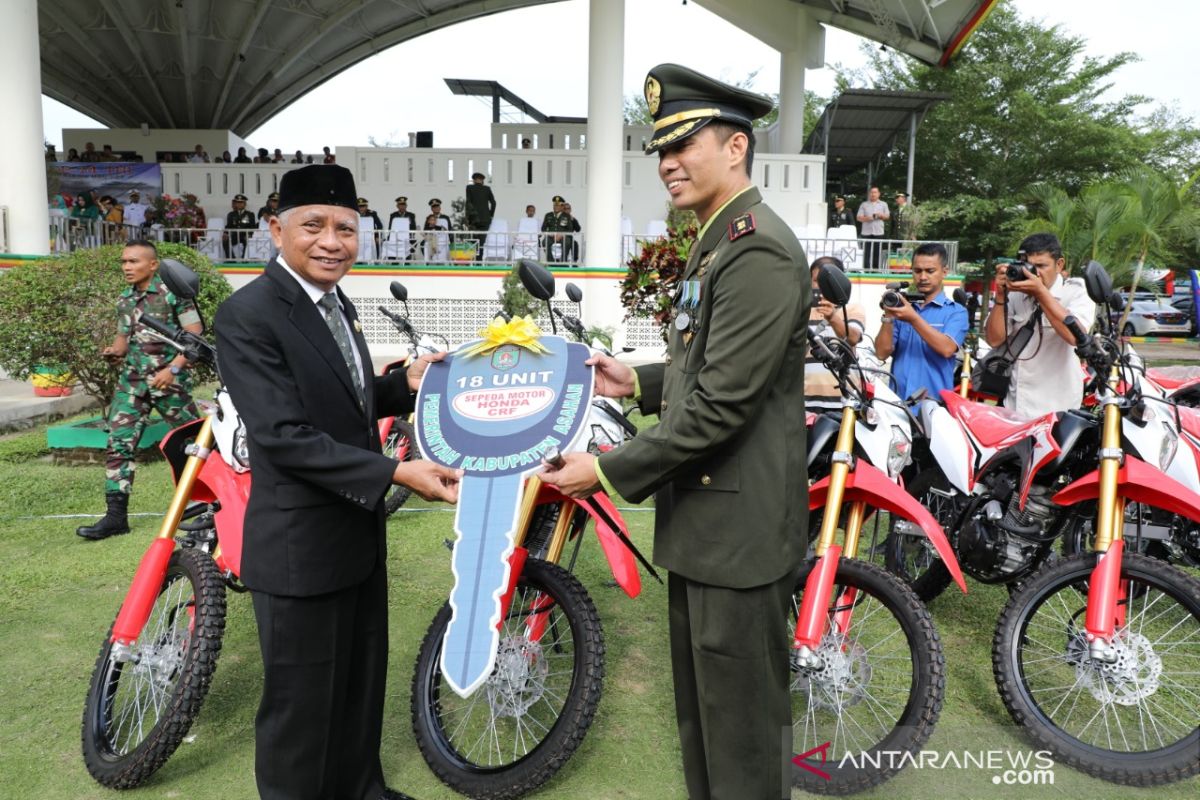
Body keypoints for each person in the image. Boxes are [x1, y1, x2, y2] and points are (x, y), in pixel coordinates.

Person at [538, 64, 810, 800]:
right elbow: (707, 361)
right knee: (706, 722)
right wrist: (641, 381)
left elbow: (724, 407)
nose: (667, 163)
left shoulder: (757, 247)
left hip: (738, 534)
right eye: (661, 149)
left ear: (737, 148)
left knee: (742, 735)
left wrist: (606, 468)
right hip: (708, 521)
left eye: (685, 144)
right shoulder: (719, 238)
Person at [213, 164, 461, 800]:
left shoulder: (336, 301)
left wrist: (399, 385)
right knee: (301, 710)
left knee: (356, 684)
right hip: (300, 548)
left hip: (354, 537)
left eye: (346, 228)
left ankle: (362, 791)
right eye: (314, 226)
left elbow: (341, 402)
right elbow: (283, 435)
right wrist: (398, 470)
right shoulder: (249, 314)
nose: (332, 241)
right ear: (277, 229)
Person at [77, 240, 202, 541]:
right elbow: (123, 338)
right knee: (118, 444)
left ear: (153, 265)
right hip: (132, 384)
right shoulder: (125, 298)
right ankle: (116, 518)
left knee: (193, 445)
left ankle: (205, 506)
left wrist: (172, 369)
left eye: (133, 262)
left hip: (169, 383)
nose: (127, 267)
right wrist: (114, 351)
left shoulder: (175, 294)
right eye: (124, 262)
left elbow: (195, 338)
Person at [985, 232, 1096, 418]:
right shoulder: (1015, 292)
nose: (1034, 273)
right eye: (1029, 266)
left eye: (1041, 266)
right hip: (1015, 403)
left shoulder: (1076, 290)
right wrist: (1001, 296)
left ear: (1059, 265)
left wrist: (1041, 293)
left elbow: (1075, 337)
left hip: (1059, 407)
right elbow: (994, 340)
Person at [875, 242, 968, 400]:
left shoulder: (956, 312)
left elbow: (947, 348)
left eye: (930, 271)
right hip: (897, 402)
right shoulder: (902, 309)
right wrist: (888, 316)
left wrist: (913, 319)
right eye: (917, 271)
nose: (923, 277)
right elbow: (881, 353)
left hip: (934, 404)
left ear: (944, 272)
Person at [806, 255, 865, 410]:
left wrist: (833, 317)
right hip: (804, 403)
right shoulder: (801, 310)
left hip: (844, 402)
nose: (819, 286)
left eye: (824, 281)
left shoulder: (851, 309)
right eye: (815, 280)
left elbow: (853, 338)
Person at [463, 172, 496, 260]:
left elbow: (468, 203)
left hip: (473, 219)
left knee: (473, 240)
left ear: (474, 180)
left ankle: (473, 260)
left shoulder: (469, 188)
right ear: (482, 180)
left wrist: (467, 217)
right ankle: (479, 261)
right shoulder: (487, 189)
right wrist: (490, 215)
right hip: (485, 219)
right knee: (482, 241)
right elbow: (493, 203)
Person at [856, 186, 889, 270]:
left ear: (879, 194)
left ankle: (876, 269)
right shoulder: (864, 204)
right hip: (866, 232)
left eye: (875, 192)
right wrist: (869, 218)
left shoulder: (883, 204)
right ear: (869, 194)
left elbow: (887, 216)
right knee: (866, 252)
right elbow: (858, 217)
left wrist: (880, 215)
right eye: (871, 192)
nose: (873, 194)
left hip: (878, 232)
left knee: (877, 252)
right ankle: (866, 269)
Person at [223, 193, 257, 259]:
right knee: (225, 241)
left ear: (245, 204)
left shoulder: (250, 214)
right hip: (235, 235)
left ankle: (244, 260)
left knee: (248, 242)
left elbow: (253, 227)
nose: (239, 204)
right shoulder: (231, 214)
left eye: (241, 202)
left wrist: (249, 234)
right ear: (235, 204)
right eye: (237, 203)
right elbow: (228, 226)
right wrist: (225, 234)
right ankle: (232, 260)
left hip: (245, 235)